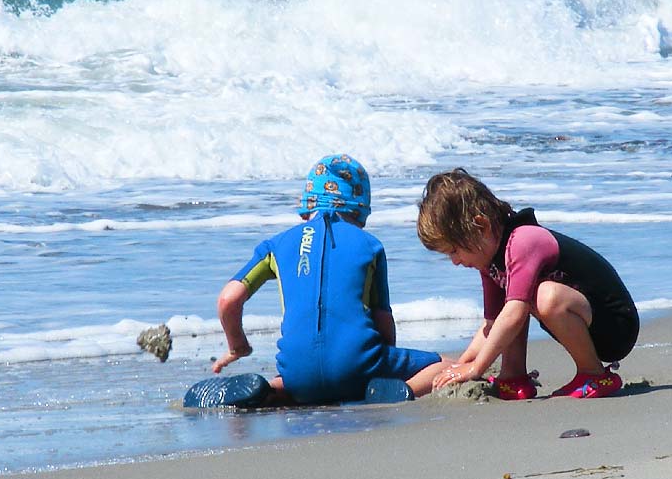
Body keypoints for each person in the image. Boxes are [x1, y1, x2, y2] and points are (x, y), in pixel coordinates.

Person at [193, 154, 450, 407]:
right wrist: (381, 367)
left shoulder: (276, 245)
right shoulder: (370, 246)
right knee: (446, 365)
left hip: (297, 372)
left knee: (300, 381)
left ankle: (271, 391)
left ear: (307, 203)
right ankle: (398, 390)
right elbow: (383, 320)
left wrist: (238, 347)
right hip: (357, 367)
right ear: (361, 207)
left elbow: (228, 299)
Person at [416, 168, 639, 400]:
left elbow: (514, 313)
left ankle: (594, 374)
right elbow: (492, 324)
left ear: (480, 226)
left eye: (454, 251)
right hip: (583, 320)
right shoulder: (490, 262)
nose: (455, 262)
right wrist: (461, 365)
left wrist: (477, 368)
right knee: (511, 305)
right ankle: (513, 377)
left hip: (614, 324)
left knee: (538, 298)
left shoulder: (523, 241)